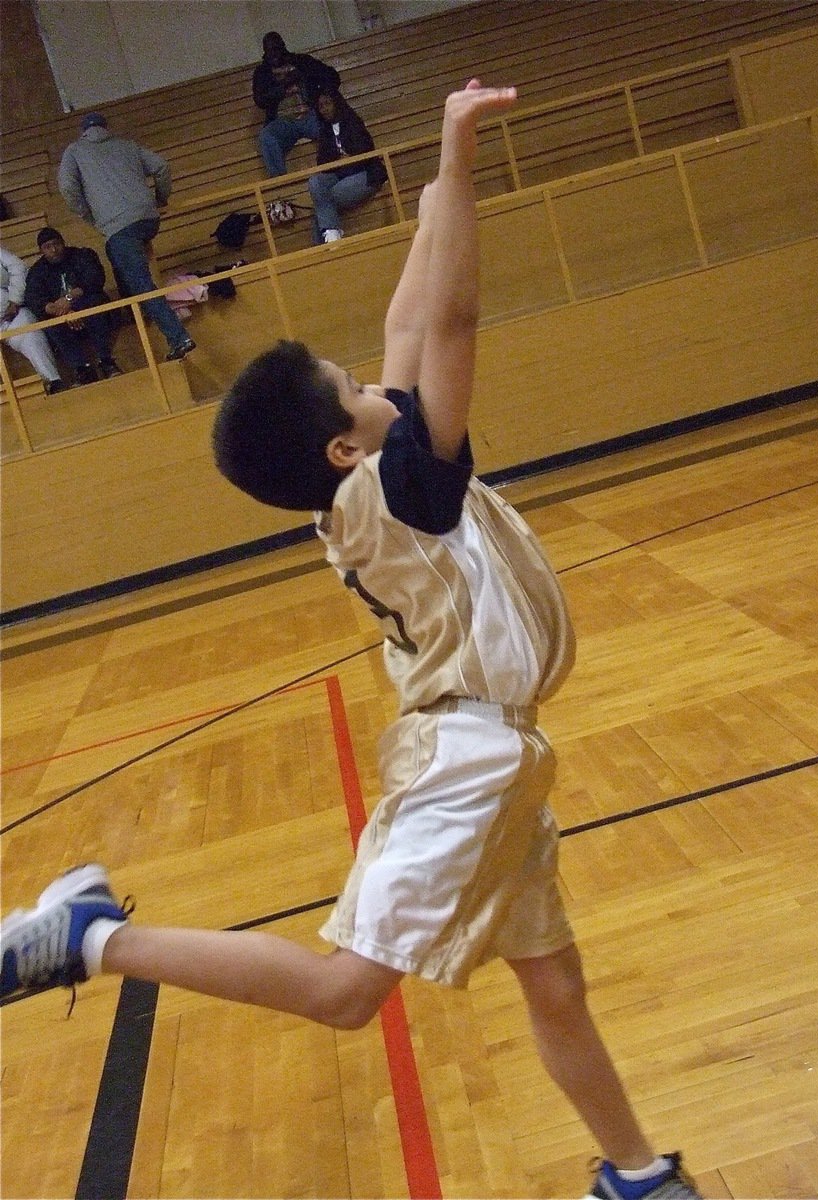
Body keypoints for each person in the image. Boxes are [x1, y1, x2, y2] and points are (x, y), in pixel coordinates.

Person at [0, 82, 701, 1200]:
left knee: (554, 986)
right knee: (344, 994)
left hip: (499, 759)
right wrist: (459, 168)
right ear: (340, 446)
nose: (376, 380)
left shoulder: (378, 479)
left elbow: (407, 325)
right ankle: (90, 938)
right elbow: (451, 326)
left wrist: (432, 203)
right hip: (467, 760)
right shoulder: (406, 490)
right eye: (353, 390)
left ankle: (634, 1175)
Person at [57, 112, 195, 361]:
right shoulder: (127, 145)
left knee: (142, 285)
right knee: (119, 258)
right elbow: (161, 166)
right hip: (148, 220)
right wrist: (160, 199)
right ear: (105, 128)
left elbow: (67, 187)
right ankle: (135, 312)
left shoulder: (75, 151)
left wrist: (89, 216)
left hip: (119, 227)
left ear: (83, 131)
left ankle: (178, 337)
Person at [24, 227, 121, 383]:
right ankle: (82, 369)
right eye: (47, 247)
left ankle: (106, 361)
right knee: (48, 323)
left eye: (56, 244)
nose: (54, 250)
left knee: (96, 304)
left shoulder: (82, 255)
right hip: (61, 317)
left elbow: (95, 280)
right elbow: (34, 299)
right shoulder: (37, 271)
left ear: (63, 242)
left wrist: (70, 299)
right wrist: (61, 311)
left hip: (88, 307)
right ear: (41, 250)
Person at [253, 31, 341, 177]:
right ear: (265, 52)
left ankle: (335, 169)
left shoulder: (302, 62)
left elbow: (332, 76)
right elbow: (260, 100)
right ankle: (280, 181)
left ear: (283, 47)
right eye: (270, 51)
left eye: (276, 48)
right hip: (283, 122)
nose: (274, 54)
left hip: (310, 113)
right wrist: (283, 86)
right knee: (266, 136)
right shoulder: (263, 72)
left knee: (331, 123)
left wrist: (321, 93)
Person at [308, 90, 388, 244]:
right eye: (320, 106)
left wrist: (347, 158)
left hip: (366, 173)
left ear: (336, 103)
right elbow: (323, 163)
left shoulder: (352, 121)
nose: (324, 109)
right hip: (341, 174)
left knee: (324, 201)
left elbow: (365, 152)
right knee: (315, 183)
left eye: (327, 104)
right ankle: (331, 238)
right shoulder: (324, 130)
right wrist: (342, 159)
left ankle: (328, 243)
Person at [0, 246, 65, 394]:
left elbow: (18, 268)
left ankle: (53, 382)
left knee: (30, 333)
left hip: (10, 315)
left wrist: (14, 300)